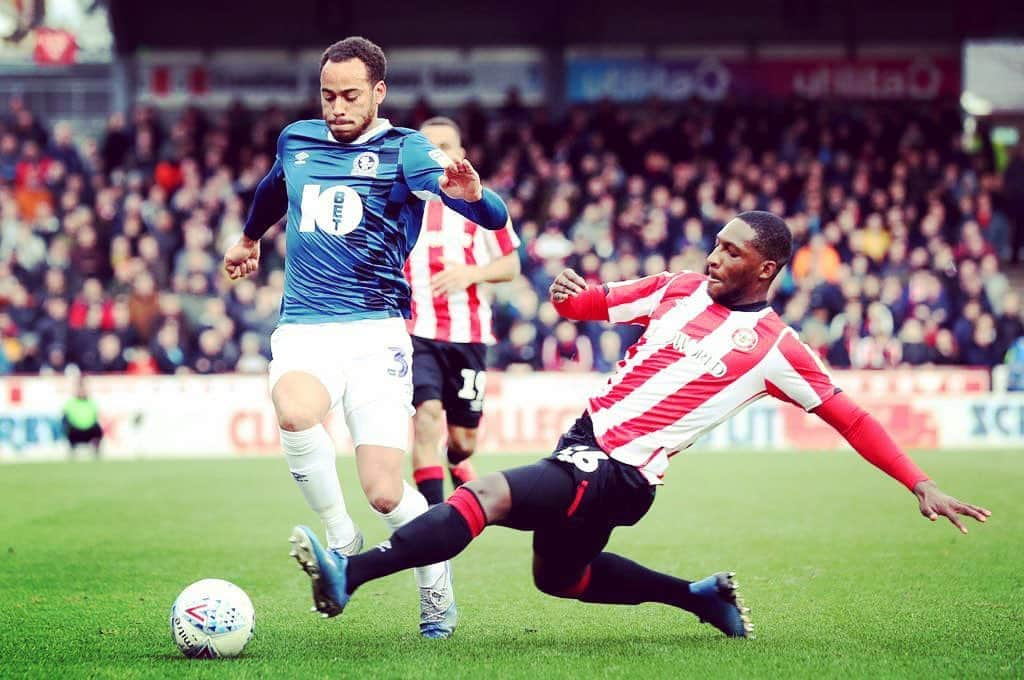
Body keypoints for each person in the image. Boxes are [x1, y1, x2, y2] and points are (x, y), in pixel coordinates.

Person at [288, 211, 991, 637]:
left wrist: (918, 482)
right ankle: (698, 597)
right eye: (716, 244)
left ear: (766, 268)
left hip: (625, 473)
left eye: (733, 253)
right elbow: (596, 304)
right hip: (584, 441)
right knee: (558, 579)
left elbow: (851, 415)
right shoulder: (682, 286)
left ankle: (351, 572)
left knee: (489, 496)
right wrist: (571, 299)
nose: (715, 257)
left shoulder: (777, 348)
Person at [222, 36, 509, 639]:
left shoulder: (407, 151)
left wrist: (476, 197)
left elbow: (491, 217)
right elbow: (275, 188)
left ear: (378, 92)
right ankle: (338, 534)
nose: (336, 107)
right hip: (306, 324)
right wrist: (250, 238)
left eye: (350, 95)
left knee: (383, 491)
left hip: (378, 334)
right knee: (295, 411)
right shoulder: (297, 140)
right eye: (327, 95)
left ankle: (436, 589)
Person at [405, 117, 521, 504]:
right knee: (426, 419)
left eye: (446, 145)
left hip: (468, 335)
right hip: (416, 332)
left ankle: (456, 462)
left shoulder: (479, 203)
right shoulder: (403, 200)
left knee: (463, 441)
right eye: (429, 146)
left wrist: (473, 272)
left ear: (461, 153)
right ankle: (432, 525)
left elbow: (511, 266)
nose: (438, 153)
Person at [62, 375, 103, 458]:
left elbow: (96, 417)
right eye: (80, 390)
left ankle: (96, 451)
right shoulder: (71, 403)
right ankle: (72, 451)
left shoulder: (91, 402)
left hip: (89, 430)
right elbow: (65, 417)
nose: (82, 392)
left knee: (98, 429)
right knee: (67, 428)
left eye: (83, 390)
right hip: (75, 430)